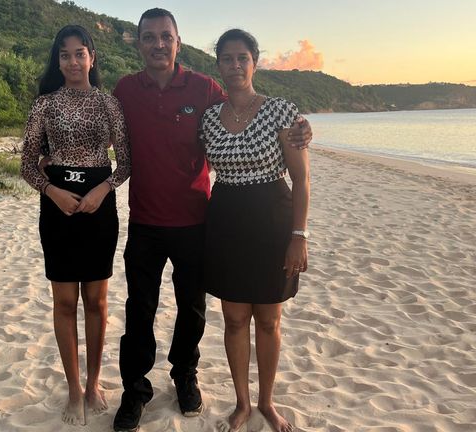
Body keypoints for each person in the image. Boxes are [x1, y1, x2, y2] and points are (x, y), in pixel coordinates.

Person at [111, 9, 312, 432]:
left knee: (193, 309)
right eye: (149, 37)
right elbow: (102, 126)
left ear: (178, 42)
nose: (158, 44)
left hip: (197, 220)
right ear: (139, 43)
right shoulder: (125, 89)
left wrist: (301, 128)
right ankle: (135, 389)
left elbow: (251, 115)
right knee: (140, 309)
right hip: (145, 220)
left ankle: (185, 376)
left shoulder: (205, 90)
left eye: (166, 36)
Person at [200, 29, 310, 432]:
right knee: (233, 319)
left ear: (255, 62)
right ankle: (242, 403)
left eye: (242, 58)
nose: (234, 66)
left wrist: (299, 236)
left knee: (268, 319)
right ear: (218, 67)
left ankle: (266, 401)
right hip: (226, 220)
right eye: (226, 59)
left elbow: (301, 179)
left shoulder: (282, 112)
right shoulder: (209, 117)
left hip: (272, 222)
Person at [20, 24, 130, 426]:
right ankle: (72, 388)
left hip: (100, 207)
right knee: (65, 303)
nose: (72, 61)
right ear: (58, 60)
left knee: (97, 302)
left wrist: (103, 189)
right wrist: (53, 192)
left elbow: (126, 163)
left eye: (79, 53)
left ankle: (95, 382)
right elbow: (27, 165)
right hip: (58, 210)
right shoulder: (44, 105)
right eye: (64, 55)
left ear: (92, 57)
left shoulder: (108, 103)